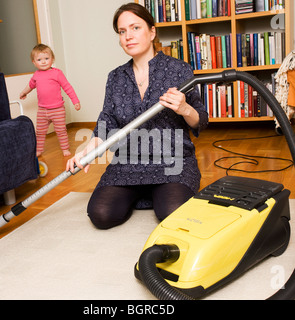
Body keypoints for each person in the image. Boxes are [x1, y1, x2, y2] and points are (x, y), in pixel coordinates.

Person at [66, 3, 208, 229]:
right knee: (101, 214)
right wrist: (88, 149)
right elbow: (107, 121)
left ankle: (162, 192)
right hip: (128, 162)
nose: (128, 37)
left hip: (172, 160)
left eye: (135, 28)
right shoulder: (115, 77)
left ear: (152, 32)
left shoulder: (179, 70)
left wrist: (184, 108)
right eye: (122, 32)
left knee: (172, 213)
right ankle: (147, 194)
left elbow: (201, 119)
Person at [20, 44, 81, 157]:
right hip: (42, 110)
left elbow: (67, 87)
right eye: (39, 60)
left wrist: (75, 101)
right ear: (34, 62)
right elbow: (30, 85)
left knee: (61, 130)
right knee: (40, 131)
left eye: (46, 59)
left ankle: (65, 149)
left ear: (52, 59)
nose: (43, 62)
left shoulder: (57, 73)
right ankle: (38, 150)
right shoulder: (36, 75)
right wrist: (24, 92)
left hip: (57, 109)